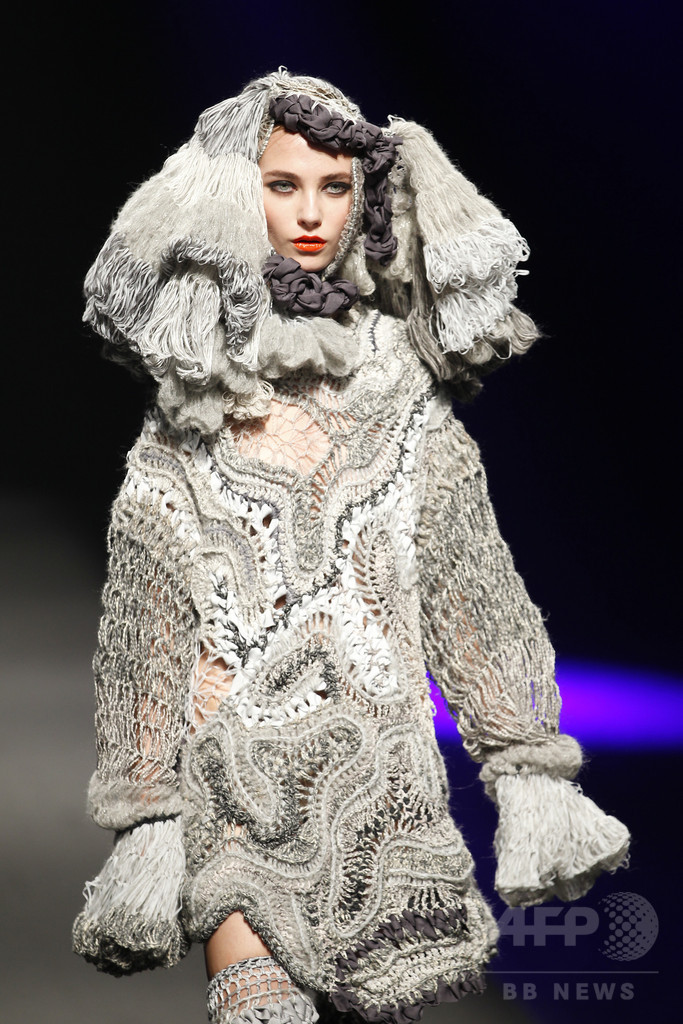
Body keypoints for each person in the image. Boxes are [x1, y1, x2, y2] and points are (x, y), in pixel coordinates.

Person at [73, 69, 630, 1024]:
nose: (309, 214)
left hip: (386, 794)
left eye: (334, 188)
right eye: (282, 184)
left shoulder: (402, 385)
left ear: (362, 199)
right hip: (233, 787)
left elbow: (468, 588)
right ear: (237, 191)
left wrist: (525, 767)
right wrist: (147, 810)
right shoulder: (196, 382)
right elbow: (148, 611)